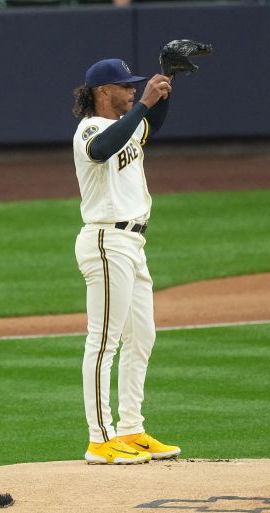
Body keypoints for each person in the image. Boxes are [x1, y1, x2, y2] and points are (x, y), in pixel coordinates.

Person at [72, 58, 181, 465]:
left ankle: (131, 428)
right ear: (104, 92)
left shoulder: (128, 124)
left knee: (143, 337)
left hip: (133, 244)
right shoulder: (89, 128)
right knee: (104, 342)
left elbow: (153, 123)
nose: (133, 91)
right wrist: (144, 104)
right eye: (125, 87)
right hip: (105, 241)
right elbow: (102, 149)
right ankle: (100, 439)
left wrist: (168, 78)